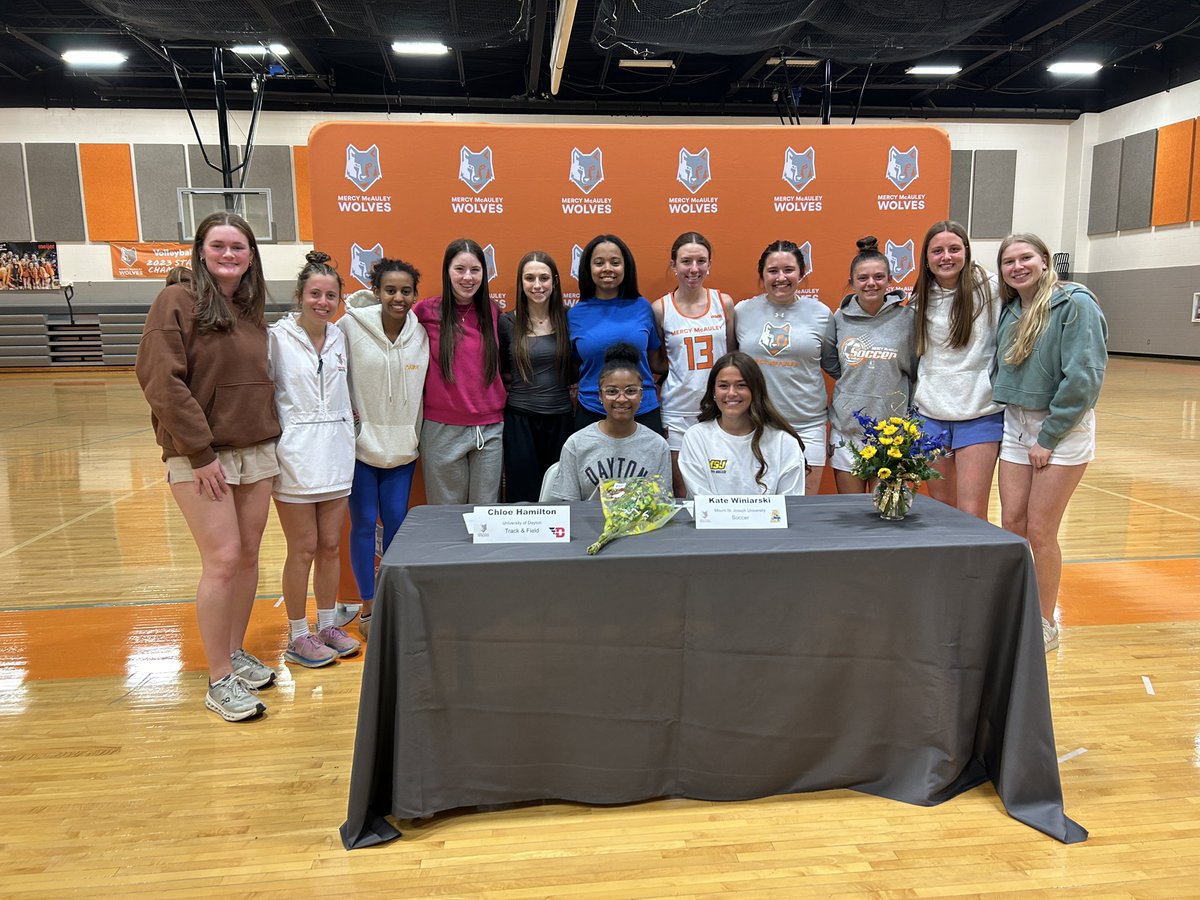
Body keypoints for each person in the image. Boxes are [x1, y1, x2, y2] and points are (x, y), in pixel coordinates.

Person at [134, 212, 280, 722]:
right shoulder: (175, 301)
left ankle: (234, 652)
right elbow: (161, 382)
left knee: (247, 556)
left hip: (256, 449)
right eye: (218, 245)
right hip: (202, 457)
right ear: (200, 251)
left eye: (238, 247)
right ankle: (218, 679)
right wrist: (199, 452)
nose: (229, 254)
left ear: (251, 255)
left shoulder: (249, 308)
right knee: (222, 560)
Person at [993, 233, 1107, 653]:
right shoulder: (1011, 311)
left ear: (1044, 260)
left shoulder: (1075, 304)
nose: (1017, 266)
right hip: (1016, 425)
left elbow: (1084, 377)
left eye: (1026, 258)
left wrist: (1050, 436)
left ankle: (1044, 622)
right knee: (1012, 525)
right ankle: (1016, 610)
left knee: (1041, 531)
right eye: (1008, 261)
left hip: (1061, 430)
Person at [268, 251, 358, 668]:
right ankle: (297, 634)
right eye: (314, 294)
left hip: (337, 453)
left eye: (331, 295)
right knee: (301, 548)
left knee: (329, 545)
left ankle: (326, 624)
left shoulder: (341, 336)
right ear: (299, 295)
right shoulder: (276, 338)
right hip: (295, 455)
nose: (322, 302)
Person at [336, 257, 430, 640]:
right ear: (376, 291)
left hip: (402, 449)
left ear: (414, 295)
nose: (398, 297)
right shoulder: (348, 327)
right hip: (360, 448)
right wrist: (353, 428)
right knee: (362, 525)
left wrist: (413, 433)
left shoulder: (421, 335)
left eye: (406, 291)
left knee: (395, 523)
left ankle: (391, 601)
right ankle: (368, 605)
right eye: (390, 290)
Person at [911, 221, 1002, 519]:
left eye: (954, 249)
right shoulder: (920, 298)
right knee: (943, 511)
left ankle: (977, 569)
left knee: (972, 513)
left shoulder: (993, 289)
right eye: (937, 251)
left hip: (979, 414)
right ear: (926, 258)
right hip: (931, 415)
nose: (946, 257)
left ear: (967, 251)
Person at [735, 239, 834, 495]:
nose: (781, 277)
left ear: (801, 272)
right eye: (773, 271)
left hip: (807, 425)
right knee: (759, 507)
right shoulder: (742, 311)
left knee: (803, 511)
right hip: (757, 424)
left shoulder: (822, 314)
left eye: (789, 270)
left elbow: (835, 366)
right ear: (762, 275)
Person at [414, 239, 506, 504]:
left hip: (489, 429)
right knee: (446, 515)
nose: (468, 277)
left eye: (475, 270)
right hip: (441, 428)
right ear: (447, 271)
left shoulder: (493, 313)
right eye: (460, 269)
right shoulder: (425, 311)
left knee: (486, 515)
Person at [826, 236, 917, 494]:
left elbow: (915, 368)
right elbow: (833, 363)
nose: (871, 284)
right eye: (863, 278)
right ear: (851, 282)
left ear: (890, 280)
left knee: (888, 514)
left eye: (879, 277)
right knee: (851, 513)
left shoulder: (908, 319)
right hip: (848, 430)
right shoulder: (838, 318)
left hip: (892, 432)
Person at [652, 232, 737, 495]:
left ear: (709, 264)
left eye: (701, 261)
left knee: (721, 487)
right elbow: (658, 362)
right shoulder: (660, 309)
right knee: (682, 493)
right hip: (677, 412)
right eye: (686, 261)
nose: (694, 269)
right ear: (674, 265)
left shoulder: (723, 303)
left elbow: (732, 356)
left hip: (720, 410)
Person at [568, 234, 667, 434]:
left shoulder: (643, 307)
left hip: (642, 409)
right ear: (587, 269)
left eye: (615, 262)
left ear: (626, 267)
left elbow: (657, 361)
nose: (607, 268)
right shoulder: (574, 314)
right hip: (592, 409)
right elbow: (573, 365)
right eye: (598, 263)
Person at [499, 251, 575, 502]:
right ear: (521, 283)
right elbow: (502, 370)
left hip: (561, 419)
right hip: (521, 421)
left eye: (543, 278)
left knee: (559, 496)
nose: (537, 285)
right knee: (522, 497)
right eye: (529, 278)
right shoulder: (507, 322)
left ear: (554, 281)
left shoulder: (568, 318)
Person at [551, 342, 672, 501]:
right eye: (612, 391)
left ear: (641, 395)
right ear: (600, 396)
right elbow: (570, 507)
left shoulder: (658, 446)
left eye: (630, 391)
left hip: (643, 526)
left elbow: (662, 504)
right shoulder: (576, 444)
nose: (621, 399)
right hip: (586, 524)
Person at [679, 351, 806, 496]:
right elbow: (702, 503)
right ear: (713, 391)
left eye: (741, 385)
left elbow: (789, 505)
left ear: (756, 390)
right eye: (723, 386)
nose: (731, 393)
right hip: (714, 519)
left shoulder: (784, 443)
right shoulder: (696, 437)